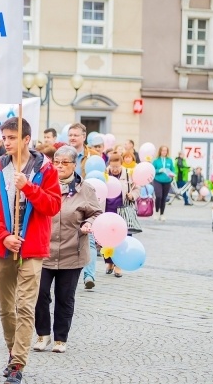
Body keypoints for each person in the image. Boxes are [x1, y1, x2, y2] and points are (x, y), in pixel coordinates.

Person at [0, 118, 62, 384]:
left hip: (32, 248)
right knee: (6, 309)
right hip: (3, 247)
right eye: (4, 137)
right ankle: (12, 350)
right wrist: (5, 236)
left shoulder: (46, 169)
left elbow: (53, 206)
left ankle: (17, 365)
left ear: (26, 139)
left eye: (12, 137)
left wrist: (28, 187)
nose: (6, 142)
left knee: (25, 306)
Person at [34, 146, 101, 353]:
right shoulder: (43, 185)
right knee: (40, 294)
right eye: (57, 162)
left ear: (74, 165)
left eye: (65, 162)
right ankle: (43, 334)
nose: (60, 166)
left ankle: (61, 339)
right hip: (44, 251)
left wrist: (89, 223)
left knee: (65, 296)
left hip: (73, 251)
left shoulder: (85, 189)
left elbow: (97, 213)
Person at [67, 123, 97, 289]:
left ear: (83, 137)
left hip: (85, 199)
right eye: (70, 135)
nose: (72, 137)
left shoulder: (93, 156)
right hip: (66, 199)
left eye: (76, 135)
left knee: (89, 238)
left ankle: (89, 275)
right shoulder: (63, 154)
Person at [103, 152, 138, 277]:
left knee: (122, 237)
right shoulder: (105, 174)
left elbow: (136, 188)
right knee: (107, 237)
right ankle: (109, 262)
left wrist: (132, 195)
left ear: (121, 164)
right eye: (113, 167)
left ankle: (119, 264)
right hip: (108, 210)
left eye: (117, 167)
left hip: (122, 210)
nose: (115, 169)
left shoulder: (128, 174)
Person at [152, 146, 174, 221]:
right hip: (158, 180)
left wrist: (172, 174)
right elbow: (152, 170)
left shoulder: (169, 160)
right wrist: (159, 170)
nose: (164, 152)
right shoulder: (156, 161)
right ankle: (156, 211)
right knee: (159, 196)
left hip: (167, 181)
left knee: (164, 198)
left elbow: (173, 170)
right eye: (163, 150)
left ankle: (162, 214)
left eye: (165, 150)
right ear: (160, 151)